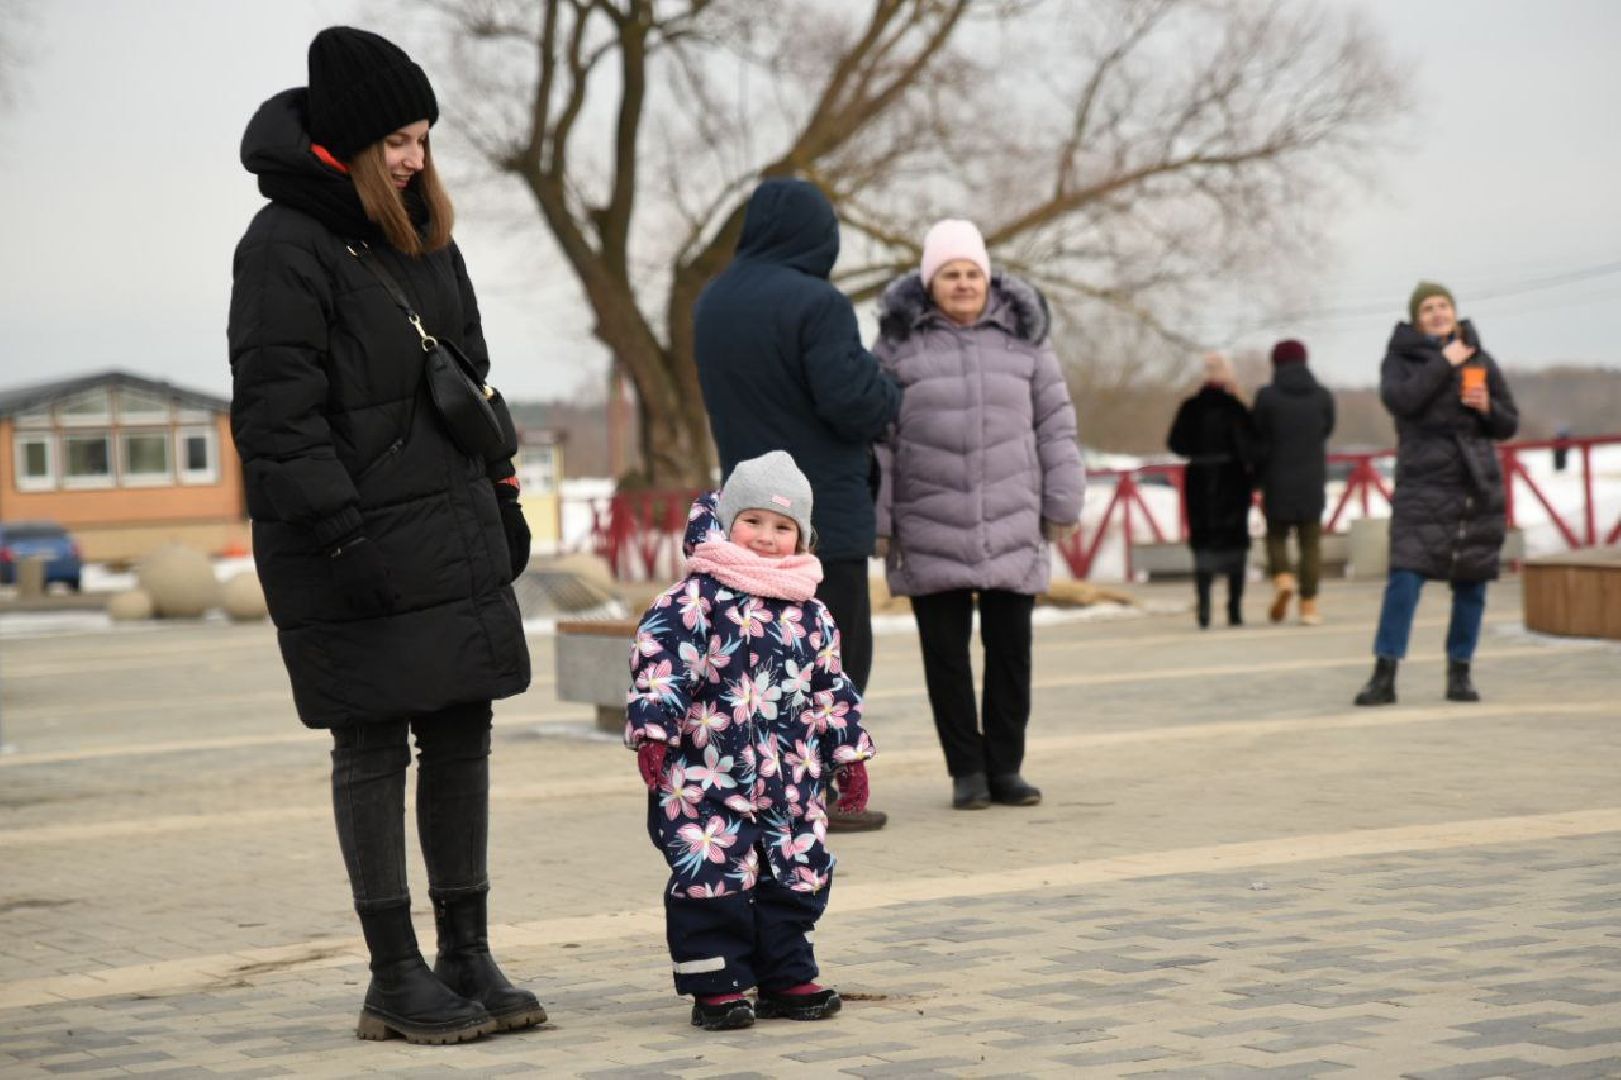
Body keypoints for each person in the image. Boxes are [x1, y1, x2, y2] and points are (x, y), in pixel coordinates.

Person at [229, 27, 540, 1045]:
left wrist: (500, 492)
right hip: (350, 539)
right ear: (353, 140)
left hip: (446, 526)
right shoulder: (281, 247)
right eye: (397, 141)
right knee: (371, 744)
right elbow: (279, 416)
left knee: (461, 728)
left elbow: (474, 377)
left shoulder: (422, 236)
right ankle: (393, 973)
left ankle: (466, 951)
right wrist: (337, 537)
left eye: (421, 140)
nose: (414, 159)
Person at [626, 452, 876, 1031]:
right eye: (753, 522)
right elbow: (661, 665)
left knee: (796, 872)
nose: (766, 538)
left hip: (791, 779)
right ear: (727, 520)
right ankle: (717, 983)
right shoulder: (693, 600)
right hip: (706, 775)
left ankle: (786, 973)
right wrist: (655, 732)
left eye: (783, 527)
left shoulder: (810, 612)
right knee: (710, 876)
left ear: (802, 536)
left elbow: (831, 687)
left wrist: (849, 753)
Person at [694, 178, 900, 832]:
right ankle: (813, 791)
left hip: (746, 516)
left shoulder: (712, 303)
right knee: (832, 655)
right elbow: (851, 402)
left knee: (757, 660)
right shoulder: (819, 304)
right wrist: (886, 389)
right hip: (820, 515)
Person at [871, 220, 1085, 811]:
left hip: (1011, 518)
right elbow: (879, 440)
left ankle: (1006, 767)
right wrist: (881, 520)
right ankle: (966, 770)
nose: (963, 284)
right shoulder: (897, 347)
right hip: (928, 518)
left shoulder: (1027, 342)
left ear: (988, 280)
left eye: (972, 273)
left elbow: (1056, 426)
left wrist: (1063, 500)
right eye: (950, 274)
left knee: (1011, 651)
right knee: (946, 657)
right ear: (929, 282)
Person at [1355, 282, 1519, 706]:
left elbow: (1508, 424)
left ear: (1454, 311)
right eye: (1428, 308)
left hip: (1472, 482)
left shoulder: (1480, 356)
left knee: (1472, 582)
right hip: (1423, 483)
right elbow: (1402, 401)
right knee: (1405, 578)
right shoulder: (1400, 359)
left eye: (1443, 306)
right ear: (1415, 318)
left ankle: (1460, 673)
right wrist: (1444, 361)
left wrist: (1486, 407)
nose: (1437, 313)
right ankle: (1384, 673)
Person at [1167, 354, 1260, 629]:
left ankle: (1204, 609)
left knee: (1203, 543)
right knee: (1235, 544)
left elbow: (1175, 443)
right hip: (1232, 479)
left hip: (1199, 479)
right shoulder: (1236, 408)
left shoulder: (1190, 407)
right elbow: (1252, 447)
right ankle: (1234, 610)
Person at [1252, 339, 1336, 625]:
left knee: (1276, 536)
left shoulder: (1267, 397)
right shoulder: (1322, 396)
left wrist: (1257, 476)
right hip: (1312, 479)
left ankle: (1284, 579)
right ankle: (1309, 605)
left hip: (1277, 479)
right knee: (1310, 543)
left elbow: (1258, 437)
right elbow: (1327, 429)